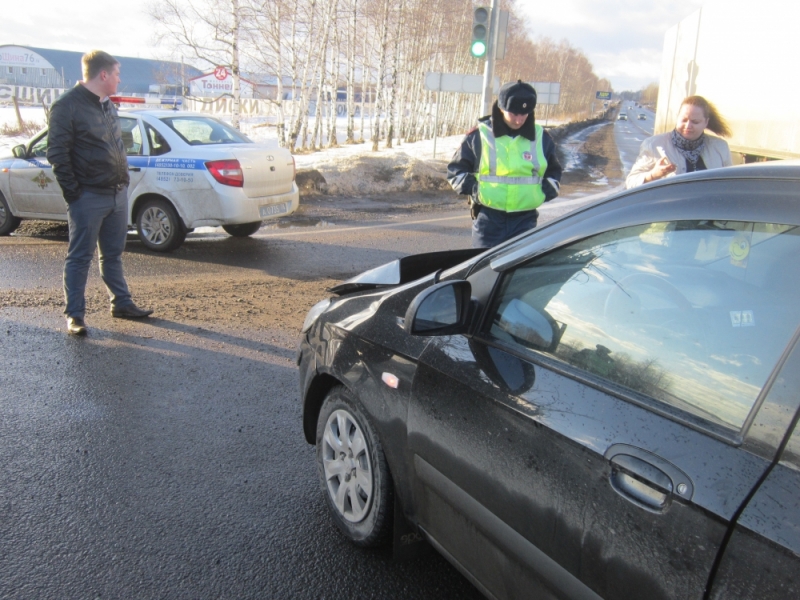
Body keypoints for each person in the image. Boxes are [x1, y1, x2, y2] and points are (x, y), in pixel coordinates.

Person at [47, 50, 153, 336]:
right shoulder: (66, 106)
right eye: (117, 73)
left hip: (117, 192)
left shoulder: (107, 105)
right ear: (103, 74)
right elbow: (57, 153)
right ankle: (75, 316)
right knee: (80, 256)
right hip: (88, 196)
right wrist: (75, 194)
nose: (120, 78)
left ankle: (122, 304)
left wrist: (124, 181)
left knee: (113, 254)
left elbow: (116, 145)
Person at [447, 80, 562, 249]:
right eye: (514, 114)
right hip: (489, 219)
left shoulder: (541, 137)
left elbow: (554, 171)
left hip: (525, 220)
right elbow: (455, 171)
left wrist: (543, 192)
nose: (519, 120)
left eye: (524, 114)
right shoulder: (480, 135)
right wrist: (476, 191)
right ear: (501, 109)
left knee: (518, 272)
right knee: (484, 271)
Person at [626, 95, 733, 188]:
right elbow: (631, 181)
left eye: (695, 122)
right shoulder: (654, 145)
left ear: (706, 122)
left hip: (708, 210)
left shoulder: (720, 147)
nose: (688, 126)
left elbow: (730, 184)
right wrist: (653, 175)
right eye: (684, 120)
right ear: (677, 118)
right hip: (670, 210)